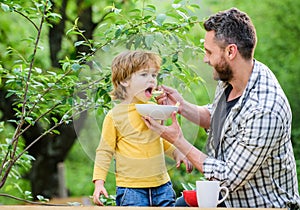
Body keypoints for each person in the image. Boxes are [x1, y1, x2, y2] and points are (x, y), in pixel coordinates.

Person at [142, 8, 300, 209]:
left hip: (260, 205)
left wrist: (177, 140)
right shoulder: (234, 78)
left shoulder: (265, 109)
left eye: (209, 52)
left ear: (231, 51)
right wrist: (180, 106)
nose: (205, 59)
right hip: (228, 199)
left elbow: (228, 178)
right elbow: (216, 117)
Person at [92, 50, 193, 206]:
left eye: (153, 75)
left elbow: (160, 138)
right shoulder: (115, 116)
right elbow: (104, 151)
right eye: (144, 75)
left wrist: (177, 152)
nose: (152, 80)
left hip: (162, 186)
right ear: (125, 80)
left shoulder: (155, 109)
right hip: (131, 190)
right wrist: (99, 183)